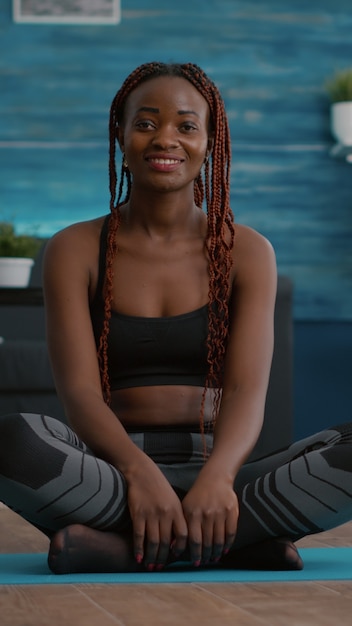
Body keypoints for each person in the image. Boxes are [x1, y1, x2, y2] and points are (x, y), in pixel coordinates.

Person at [0, 61, 352, 575]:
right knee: (12, 441)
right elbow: (79, 394)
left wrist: (218, 477)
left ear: (210, 141)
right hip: (111, 473)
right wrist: (139, 473)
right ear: (120, 135)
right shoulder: (74, 249)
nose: (165, 138)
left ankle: (125, 549)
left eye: (186, 125)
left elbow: (245, 392)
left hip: (228, 475)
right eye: (145, 123)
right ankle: (233, 545)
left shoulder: (247, 252)